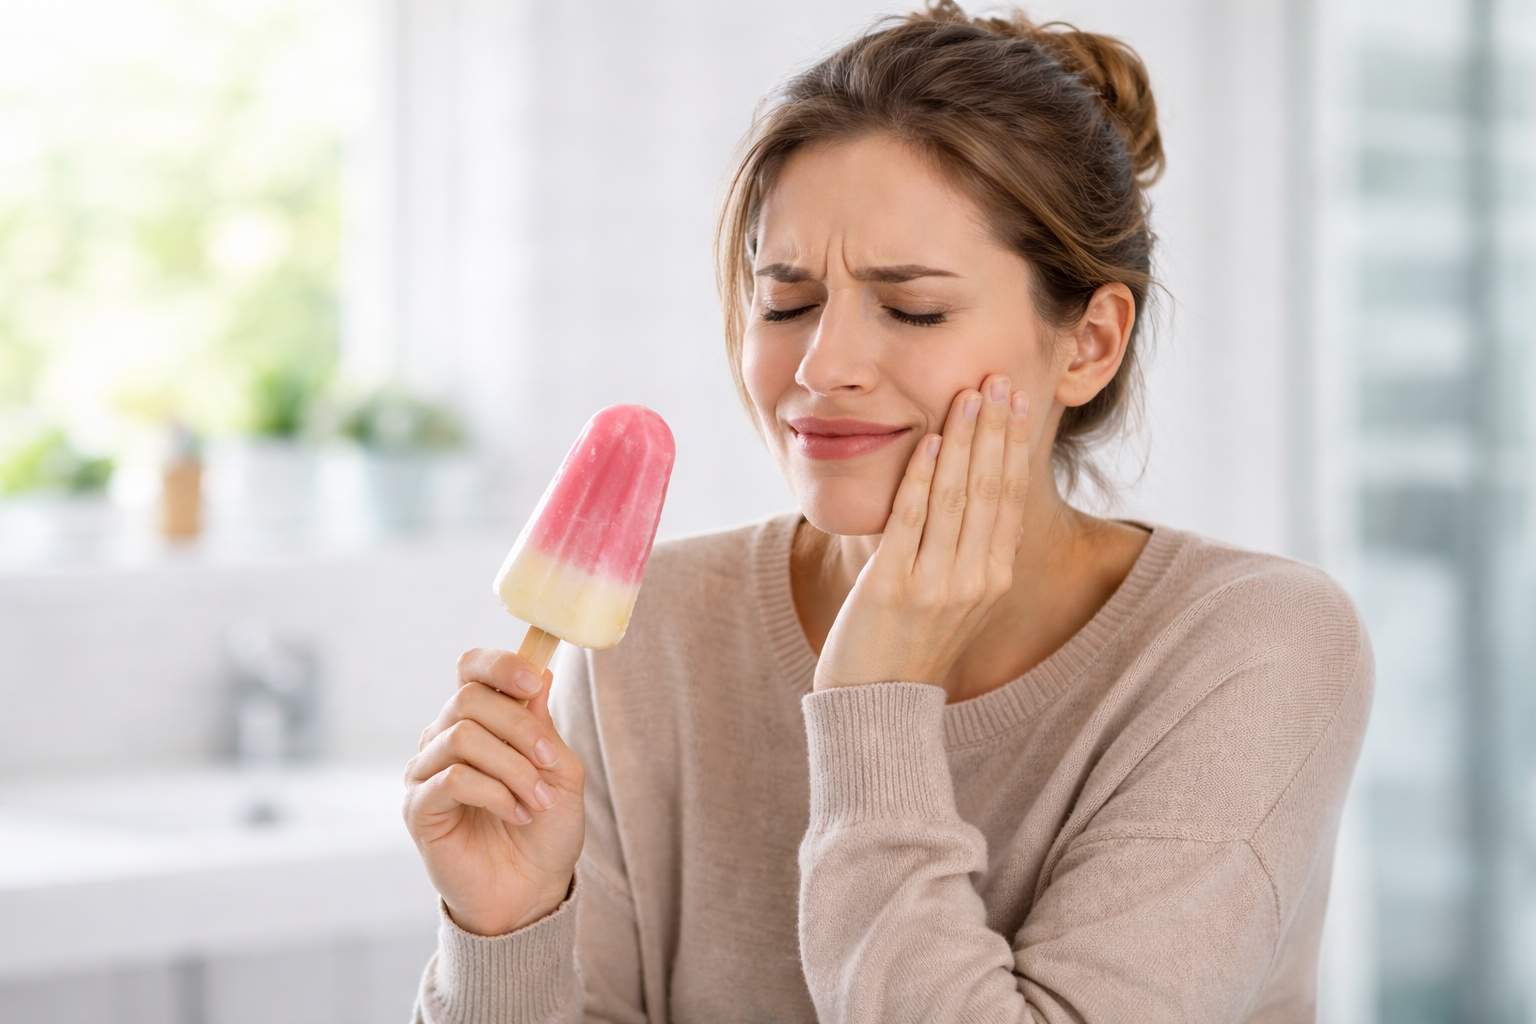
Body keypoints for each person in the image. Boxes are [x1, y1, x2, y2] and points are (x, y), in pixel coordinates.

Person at [405, 1, 1375, 1020]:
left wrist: (875, 697)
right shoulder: (651, 635)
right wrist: (508, 931)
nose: (820, 368)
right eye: (784, 302)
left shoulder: (1253, 648)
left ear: (1088, 343)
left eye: (913, 308)